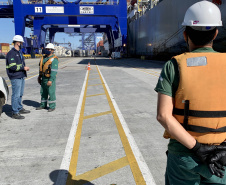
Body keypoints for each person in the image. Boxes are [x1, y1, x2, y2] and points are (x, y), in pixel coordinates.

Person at [155, 1, 226, 184]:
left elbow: (163, 116)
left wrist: (197, 148)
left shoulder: (173, 66)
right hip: (221, 158)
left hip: (184, 158)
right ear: (216, 33)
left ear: (186, 34)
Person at [6, 35, 30, 119]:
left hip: (21, 75)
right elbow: (12, 67)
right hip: (15, 76)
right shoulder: (11, 53)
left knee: (20, 94)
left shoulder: (19, 52)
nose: (22, 44)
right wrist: (23, 68)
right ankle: (15, 112)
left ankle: (19, 108)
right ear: (18, 43)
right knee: (16, 95)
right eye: (21, 42)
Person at [36, 43, 59, 112]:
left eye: (49, 49)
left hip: (49, 79)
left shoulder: (54, 59)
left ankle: (52, 106)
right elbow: (41, 68)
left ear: (52, 50)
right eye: (47, 49)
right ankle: (43, 105)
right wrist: (39, 77)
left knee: (51, 92)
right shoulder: (44, 58)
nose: (47, 50)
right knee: (43, 92)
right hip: (43, 78)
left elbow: (54, 71)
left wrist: (51, 80)